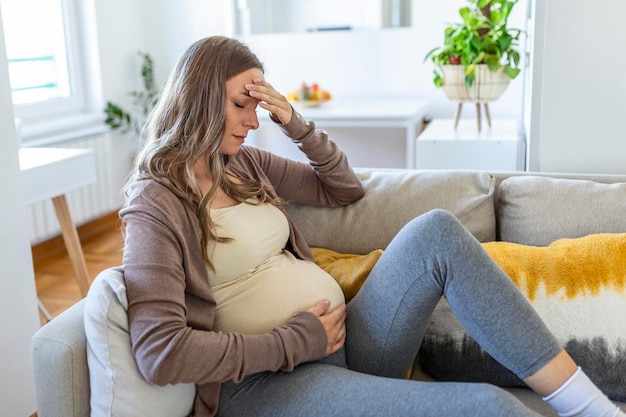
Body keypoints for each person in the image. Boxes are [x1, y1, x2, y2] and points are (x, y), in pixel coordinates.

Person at [119, 36, 624, 417]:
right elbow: (161, 351)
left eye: (257, 105)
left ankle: (589, 406)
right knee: (490, 407)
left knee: (435, 232)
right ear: (199, 97)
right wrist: (297, 341)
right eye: (240, 104)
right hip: (266, 381)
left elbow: (343, 187)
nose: (252, 120)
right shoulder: (156, 203)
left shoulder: (244, 164)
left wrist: (294, 121)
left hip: (343, 344)